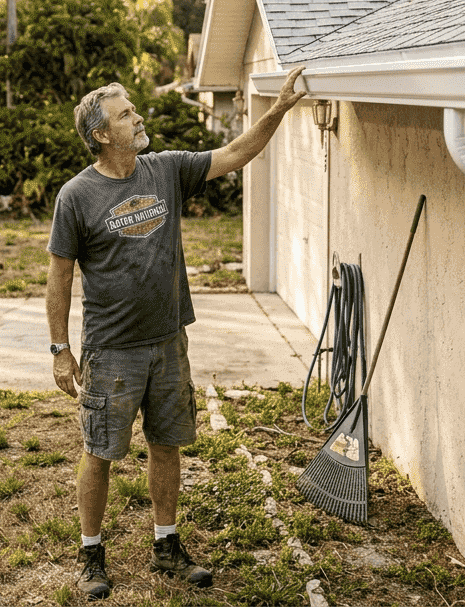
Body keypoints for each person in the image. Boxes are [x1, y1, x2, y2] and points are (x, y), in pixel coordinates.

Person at [46, 66, 309, 599]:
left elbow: (235, 154)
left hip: (168, 342)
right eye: (124, 114)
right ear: (102, 134)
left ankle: (166, 545)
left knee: (167, 445)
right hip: (111, 348)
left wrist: (278, 109)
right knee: (100, 452)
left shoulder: (165, 169)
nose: (136, 116)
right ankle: (90, 551)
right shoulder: (76, 196)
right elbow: (60, 274)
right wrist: (60, 350)